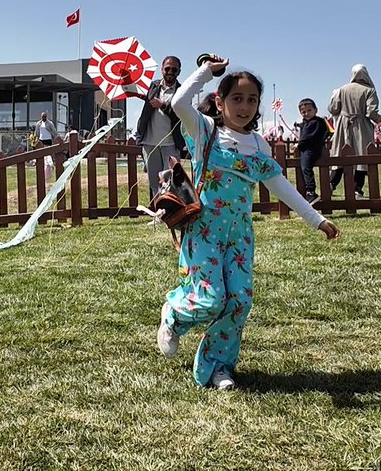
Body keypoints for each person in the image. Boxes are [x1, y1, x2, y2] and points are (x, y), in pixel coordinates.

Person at [158, 54, 339, 390]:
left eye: (252, 100)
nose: (244, 106)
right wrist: (207, 71)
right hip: (204, 233)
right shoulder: (204, 131)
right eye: (236, 98)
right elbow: (179, 101)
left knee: (239, 301)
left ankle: (219, 366)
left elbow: (282, 187)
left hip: (239, 238)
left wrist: (316, 220)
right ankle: (174, 315)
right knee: (210, 299)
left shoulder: (258, 146)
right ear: (220, 101)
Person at [135, 56, 188, 200]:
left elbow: (181, 115)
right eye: (167, 68)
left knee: (170, 181)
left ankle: (171, 213)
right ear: (162, 70)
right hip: (149, 142)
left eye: (174, 69)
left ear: (179, 72)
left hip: (171, 143)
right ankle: (159, 214)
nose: (170, 71)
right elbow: (136, 90)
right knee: (154, 182)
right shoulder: (153, 86)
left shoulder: (182, 92)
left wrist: (163, 105)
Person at [328, 64, 381, 198]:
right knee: (361, 156)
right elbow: (371, 112)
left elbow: (333, 109)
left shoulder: (342, 89)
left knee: (340, 154)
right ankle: (357, 189)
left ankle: (331, 184)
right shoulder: (369, 90)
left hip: (343, 124)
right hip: (361, 125)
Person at [296, 98, 328, 204]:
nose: (306, 113)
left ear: (315, 110)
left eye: (309, 110)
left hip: (311, 149)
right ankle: (308, 192)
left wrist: (298, 145)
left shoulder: (315, 122)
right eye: (303, 112)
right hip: (308, 149)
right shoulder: (307, 123)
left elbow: (307, 137)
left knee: (306, 168)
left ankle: (311, 192)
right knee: (304, 168)